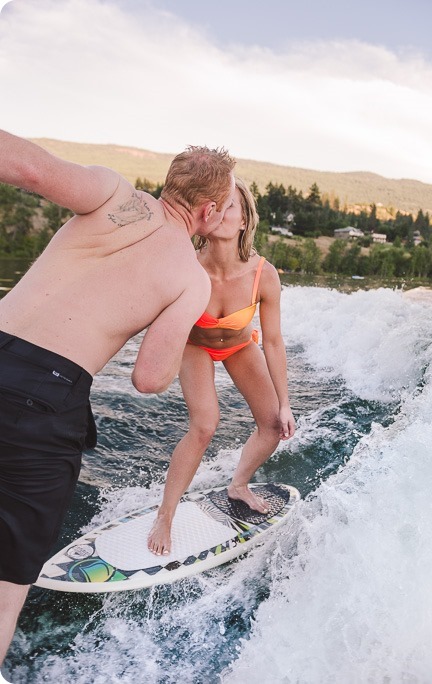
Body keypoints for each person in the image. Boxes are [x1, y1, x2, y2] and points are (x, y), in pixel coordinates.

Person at [0, 129, 236, 665]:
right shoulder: (189, 278)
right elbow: (149, 380)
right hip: (43, 402)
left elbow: (32, 170)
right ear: (210, 208)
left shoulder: (111, 193)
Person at [148, 177, 295, 556]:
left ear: (245, 220)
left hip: (240, 346)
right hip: (195, 345)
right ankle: (166, 514)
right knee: (205, 425)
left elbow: (275, 342)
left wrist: (286, 402)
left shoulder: (264, 275)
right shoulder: (186, 266)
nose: (219, 211)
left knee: (274, 425)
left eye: (229, 206)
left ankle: (239, 484)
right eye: (214, 204)